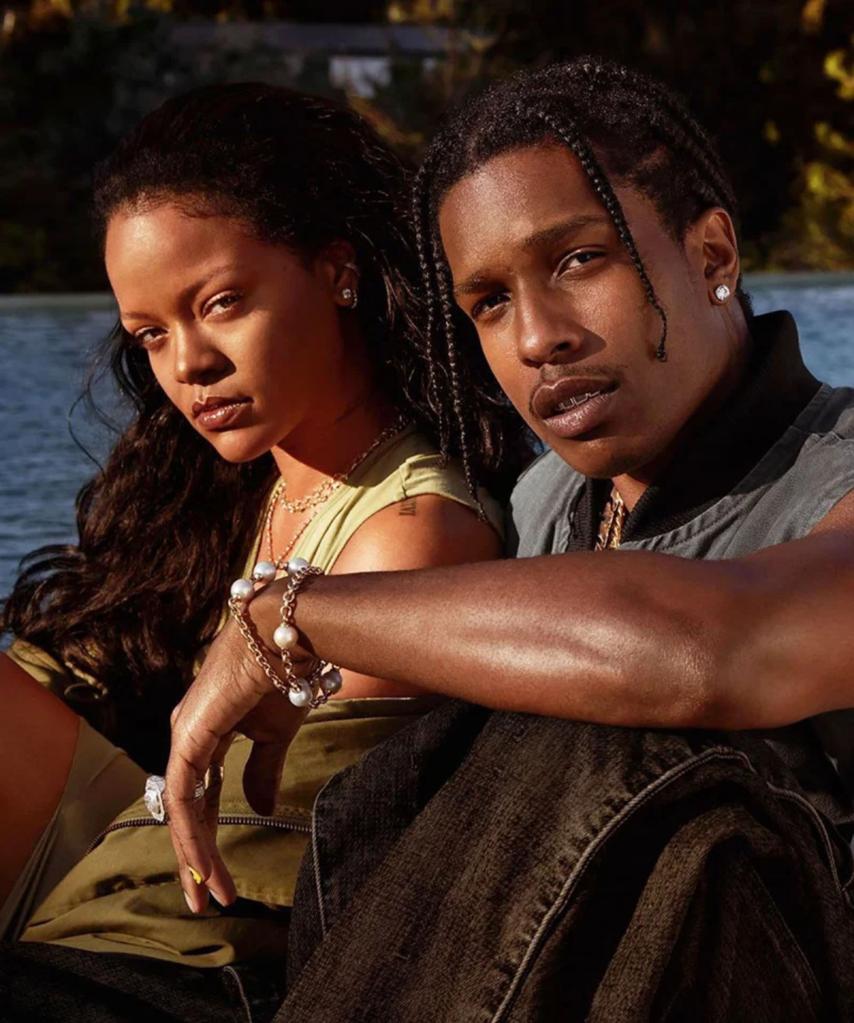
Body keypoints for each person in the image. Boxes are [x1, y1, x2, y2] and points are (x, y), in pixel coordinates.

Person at [149, 59, 854, 1019]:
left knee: (608, 741)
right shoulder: (539, 503)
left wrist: (292, 615)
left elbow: (717, 648)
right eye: (488, 302)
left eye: (578, 260)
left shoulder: (838, 468)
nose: (536, 338)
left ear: (715, 256)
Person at [0, 81, 512, 996]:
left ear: (336, 270)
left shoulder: (410, 534)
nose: (188, 366)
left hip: (177, 940)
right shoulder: (242, 485)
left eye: (223, 301)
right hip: (120, 852)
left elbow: (269, 840)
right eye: (151, 335)